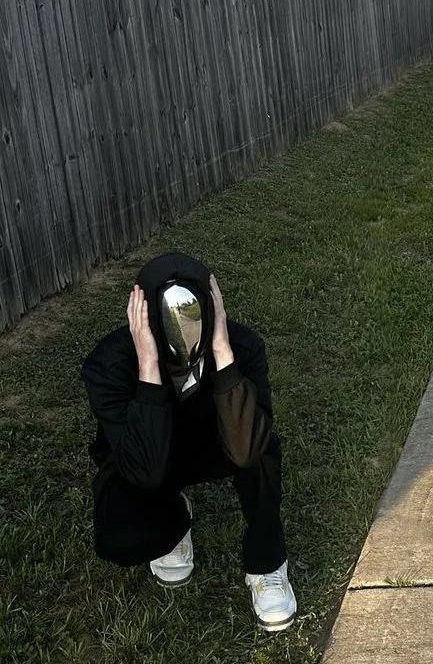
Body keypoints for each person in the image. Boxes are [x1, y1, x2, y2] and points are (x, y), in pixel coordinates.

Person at [82, 252, 297, 631]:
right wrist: (148, 367)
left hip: (218, 443)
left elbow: (246, 447)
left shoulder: (244, 348)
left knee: (259, 445)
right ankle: (173, 521)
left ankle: (267, 562)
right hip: (150, 452)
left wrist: (223, 354)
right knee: (121, 535)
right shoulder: (108, 365)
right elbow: (143, 467)